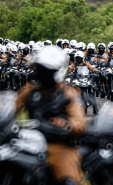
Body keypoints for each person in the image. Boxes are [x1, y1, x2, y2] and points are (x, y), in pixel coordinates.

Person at [16, 46, 86, 185]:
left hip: (58, 145)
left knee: (69, 180)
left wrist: (67, 125)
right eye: (39, 69)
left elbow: (80, 123)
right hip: (29, 144)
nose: (41, 74)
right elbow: (11, 106)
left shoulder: (68, 93)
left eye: (45, 71)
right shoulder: (30, 91)